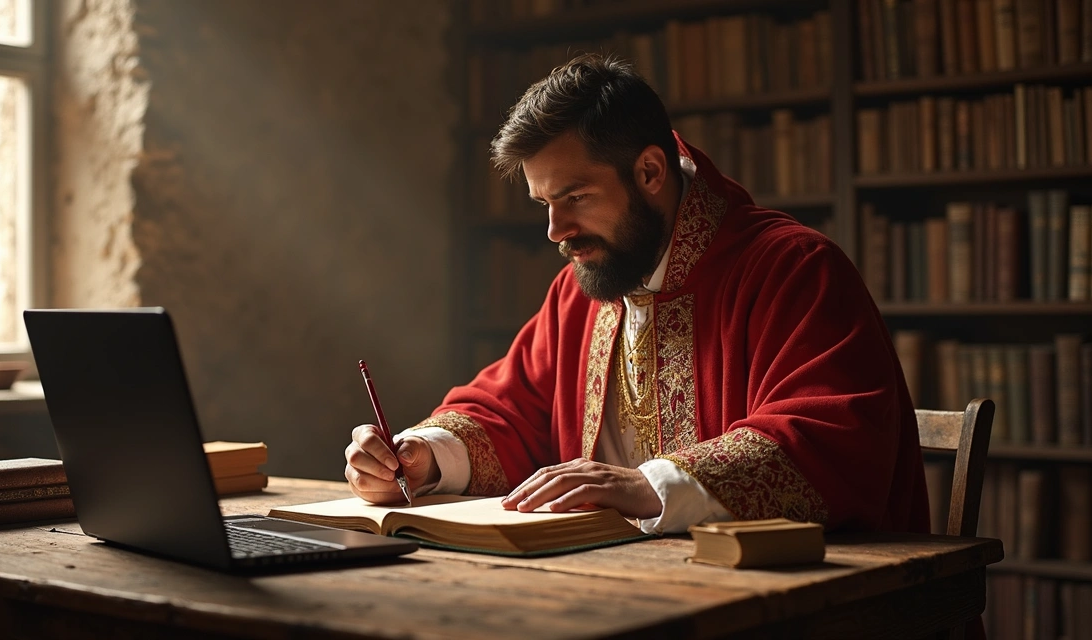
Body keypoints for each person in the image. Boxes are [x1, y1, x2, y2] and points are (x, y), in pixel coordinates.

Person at [345, 53, 929, 535]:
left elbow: (835, 438)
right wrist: (424, 458)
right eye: (544, 204)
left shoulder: (795, 269)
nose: (555, 231)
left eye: (575, 197)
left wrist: (648, 485)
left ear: (650, 172)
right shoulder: (582, 289)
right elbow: (509, 410)